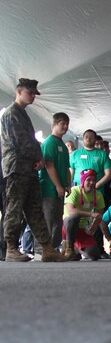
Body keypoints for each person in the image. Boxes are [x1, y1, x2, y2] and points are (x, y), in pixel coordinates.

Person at [0, 78, 65, 262]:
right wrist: (38, 158)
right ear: (19, 91)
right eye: (30, 93)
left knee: (35, 209)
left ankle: (46, 248)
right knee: (14, 208)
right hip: (16, 168)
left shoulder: (22, 113)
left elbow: (32, 141)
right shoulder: (11, 113)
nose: (33, 97)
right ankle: (11, 248)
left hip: (27, 168)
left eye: (34, 94)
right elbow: (20, 142)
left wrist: (38, 159)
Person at [35, 112, 72, 258]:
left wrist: (68, 184)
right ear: (54, 124)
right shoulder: (49, 142)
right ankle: (40, 250)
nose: (65, 126)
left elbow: (66, 168)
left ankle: (52, 249)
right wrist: (58, 185)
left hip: (60, 190)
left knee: (57, 220)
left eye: (67, 124)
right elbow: (49, 165)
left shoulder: (62, 144)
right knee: (47, 219)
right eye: (62, 123)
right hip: (49, 189)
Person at [63, 169, 105, 260]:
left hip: (82, 228)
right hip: (67, 227)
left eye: (94, 180)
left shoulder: (98, 195)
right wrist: (90, 214)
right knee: (74, 216)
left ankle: (76, 249)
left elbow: (99, 216)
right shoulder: (74, 191)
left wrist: (92, 229)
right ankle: (69, 248)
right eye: (88, 180)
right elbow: (70, 211)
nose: (91, 182)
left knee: (94, 254)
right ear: (83, 181)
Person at [70, 128, 111, 195]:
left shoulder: (102, 154)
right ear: (83, 139)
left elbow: (108, 174)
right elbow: (71, 172)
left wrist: (95, 186)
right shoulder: (74, 154)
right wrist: (68, 187)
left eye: (91, 137)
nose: (88, 139)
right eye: (86, 137)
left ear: (95, 139)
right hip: (78, 191)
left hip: (96, 191)